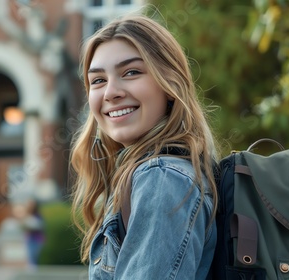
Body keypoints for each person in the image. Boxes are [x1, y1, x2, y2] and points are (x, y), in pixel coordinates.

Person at [70, 13, 219, 279]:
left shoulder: (161, 178)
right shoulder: (151, 174)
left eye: (131, 72)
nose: (111, 92)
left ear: (170, 84)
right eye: (98, 80)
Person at [21, 199, 45, 270]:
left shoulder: (38, 216)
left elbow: (41, 226)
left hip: (36, 239)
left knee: (35, 255)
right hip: (29, 239)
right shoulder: (26, 216)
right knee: (30, 256)